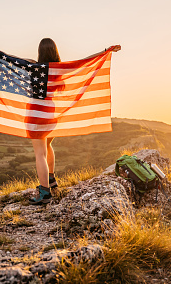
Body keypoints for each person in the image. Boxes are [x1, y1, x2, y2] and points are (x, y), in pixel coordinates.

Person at [29, 38, 121, 204]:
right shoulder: (59, 70)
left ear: (39, 51)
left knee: (39, 153)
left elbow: (7, 57)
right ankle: (51, 180)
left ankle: (44, 192)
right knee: (47, 146)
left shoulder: (32, 66)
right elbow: (84, 62)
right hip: (51, 115)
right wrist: (105, 50)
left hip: (36, 115)